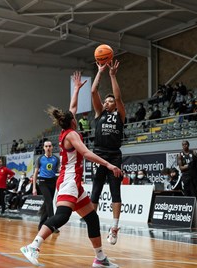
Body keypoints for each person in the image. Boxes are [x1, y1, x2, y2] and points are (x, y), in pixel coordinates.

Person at [20, 70, 120, 267]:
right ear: (73, 121)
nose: (75, 113)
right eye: (74, 115)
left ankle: (100, 259)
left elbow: (72, 106)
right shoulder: (72, 135)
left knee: (92, 218)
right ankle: (33, 246)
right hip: (68, 181)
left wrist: (76, 89)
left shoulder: (68, 127)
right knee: (62, 216)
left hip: (74, 182)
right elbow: (87, 153)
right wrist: (108, 164)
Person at [90, 59, 126, 245]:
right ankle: (92, 222)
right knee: (95, 190)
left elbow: (119, 98)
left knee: (115, 191)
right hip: (99, 155)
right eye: (106, 100)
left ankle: (114, 227)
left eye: (110, 100)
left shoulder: (119, 115)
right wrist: (100, 72)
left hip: (114, 155)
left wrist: (112, 75)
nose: (107, 102)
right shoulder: (99, 113)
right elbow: (93, 91)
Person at [32, 140, 60, 231]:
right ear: (44, 148)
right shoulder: (39, 159)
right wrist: (34, 188)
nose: (48, 148)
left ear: (52, 147)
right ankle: (53, 225)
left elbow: (59, 170)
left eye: (49, 146)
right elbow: (35, 173)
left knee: (47, 204)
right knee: (49, 203)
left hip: (52, 182)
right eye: (46, 146)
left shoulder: (56, 159)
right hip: (43, 182)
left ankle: (41, 224)